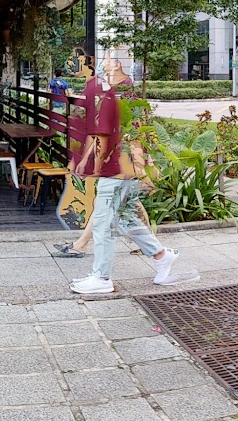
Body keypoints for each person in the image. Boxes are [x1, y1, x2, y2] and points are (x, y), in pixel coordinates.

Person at [63, 52, 186, 296]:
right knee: (124, 218)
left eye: (106, 60)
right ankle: (162, 257)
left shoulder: (123, 93)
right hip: (118, 166)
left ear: (117, 64)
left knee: (103, 223)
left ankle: (102, 277)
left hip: (119, 166)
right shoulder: (107, 89)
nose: (99, 63)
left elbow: (129, 130)